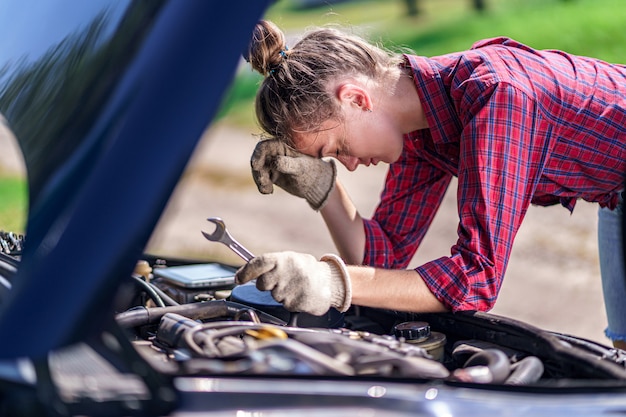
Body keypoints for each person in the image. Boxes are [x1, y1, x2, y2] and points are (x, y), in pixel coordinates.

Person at [236, 20, 626, 348]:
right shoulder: (420, 131)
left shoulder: (496, 95)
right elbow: (382, 264)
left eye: (338, 148)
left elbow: (476, 276)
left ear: (356, 99)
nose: (350, 166)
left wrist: (330, 280)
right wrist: (324, 191)